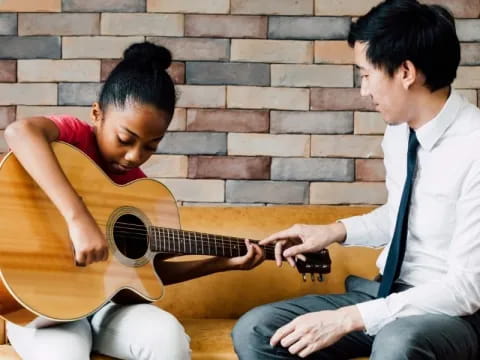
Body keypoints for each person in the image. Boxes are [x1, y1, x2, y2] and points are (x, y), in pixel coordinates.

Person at [232, 0, 480, 359]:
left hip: (454, 313)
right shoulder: (398, 134)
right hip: (386, 294)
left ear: (406, 72)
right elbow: (402, 214)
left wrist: (348, 318)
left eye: (366, 74)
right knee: (259, 330)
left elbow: (467, 287)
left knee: (397, 343)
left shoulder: (475, 146)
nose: (363, 90)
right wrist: (333, 232)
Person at [4, 41, 264, 360]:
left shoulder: (141, 190)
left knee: (168, 340)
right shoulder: (74, 137)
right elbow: (20, 132)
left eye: (150, 146)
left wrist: (221, 263)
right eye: (125, 139)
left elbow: (145, 274)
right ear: (97, 114)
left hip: (107, 309)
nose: (134, 156)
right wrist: (78, 218)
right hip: (45, 309)